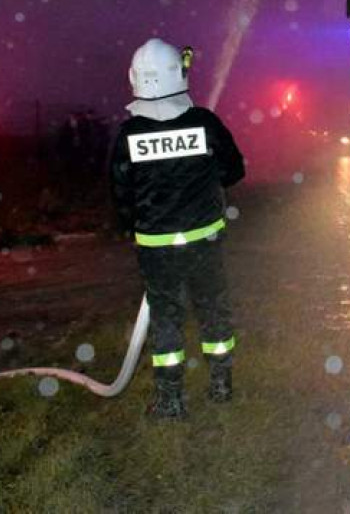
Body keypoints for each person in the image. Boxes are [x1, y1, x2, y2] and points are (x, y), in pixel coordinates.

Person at [110, 38, 245, 419]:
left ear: (135, 78)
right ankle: (221, 384)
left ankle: (170, 400)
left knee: (166, 316)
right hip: (205, 238)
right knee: (213, 307)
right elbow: (234, 171)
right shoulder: (205, 122)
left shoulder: (129, 133)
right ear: (177, 74)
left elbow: (120, 193)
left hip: (156, 247)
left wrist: (132, 226)